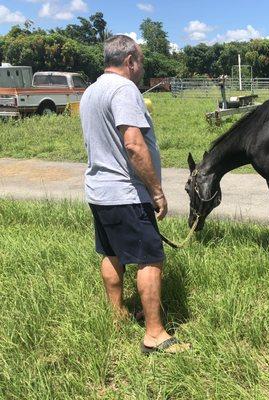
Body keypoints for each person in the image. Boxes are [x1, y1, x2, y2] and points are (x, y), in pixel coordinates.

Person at [80, 35, 189, 355]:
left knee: (111, 254)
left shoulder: (91, 91)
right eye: (140, 61)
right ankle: (154, 335)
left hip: (99, 191)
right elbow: (133, 144)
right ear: (129, 61)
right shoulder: (124, 89)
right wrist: (156, 191)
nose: (142, 67)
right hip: (126, 192)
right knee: (151, 258)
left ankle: (117, 316)